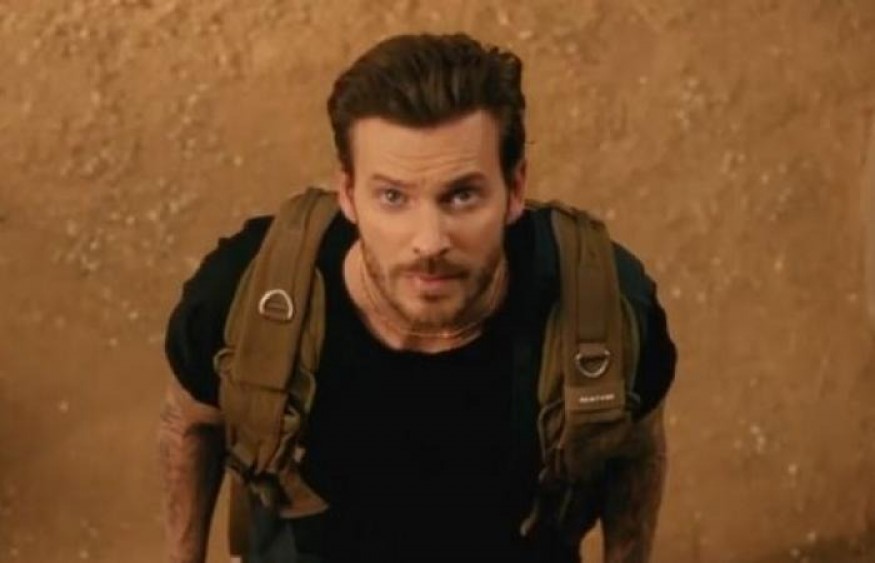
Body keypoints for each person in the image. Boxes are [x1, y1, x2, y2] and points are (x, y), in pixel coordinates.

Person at [158, 32, 677, 563]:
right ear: (347, 194)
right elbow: (191, 423)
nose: (429, 242)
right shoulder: (248, 290)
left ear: (515, 188)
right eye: (393, 196)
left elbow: (638, 448)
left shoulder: (603, 304)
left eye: (462, 195)